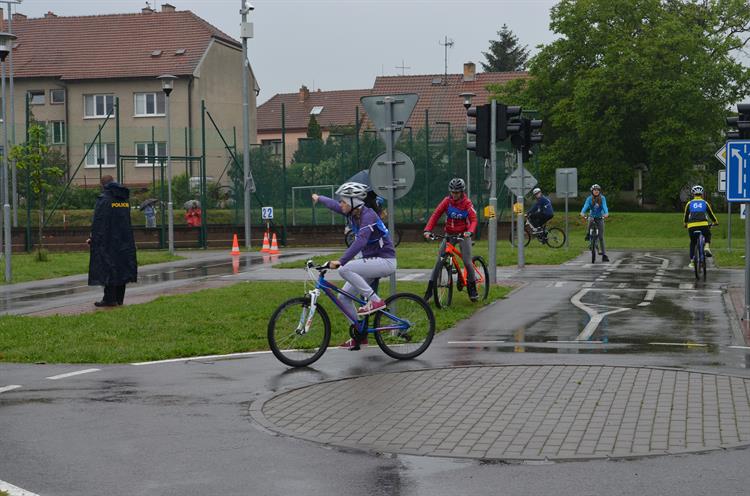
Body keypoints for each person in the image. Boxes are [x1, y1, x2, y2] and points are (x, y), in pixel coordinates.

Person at [312, 182, 397, 349]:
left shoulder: (368, 215)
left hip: (385, 261)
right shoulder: (352, 214)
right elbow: (333, 205)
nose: (341, 204)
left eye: (343, 201)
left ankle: (375, 301)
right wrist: (319, 198)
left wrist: (341, 261)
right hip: (371, 262)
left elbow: (361, 241)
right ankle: (360, 335)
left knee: (345, 268)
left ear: (354, 202)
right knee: (343, 297)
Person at [423, 178, 479, 301]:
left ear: (462, 192)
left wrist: (469, 232)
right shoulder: (447, 201)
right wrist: (427, 229)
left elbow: (474, 220)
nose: (454, 194)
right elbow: (436, 214)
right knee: (439, 261)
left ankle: (472, 287)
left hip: (463, 235)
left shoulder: (467, 203)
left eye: (457, 192)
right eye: (452, 192)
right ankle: (429, 290)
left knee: (467, 261)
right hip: (449, 234)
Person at [87, 175, 138, 307]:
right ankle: (119, 298)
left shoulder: (104, 200)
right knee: (122, 267)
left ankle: (109, 299)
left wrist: (93, 239)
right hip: (124, 239)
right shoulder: (123, 199)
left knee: (108, 267)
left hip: (108, 240)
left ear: (103, 185)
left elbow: (99, 222)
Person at [683, 184, 718, 268]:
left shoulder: (689, 203)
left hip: (691, 226)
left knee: (693, 242)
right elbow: (711, 214)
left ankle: (692, 261)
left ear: (693, 194)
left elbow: (686, 215)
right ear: (702, 194)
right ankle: (706, 247)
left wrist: (685, 224)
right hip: (703, 224)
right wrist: (715, 222)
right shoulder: (705, 203)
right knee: (707, 235)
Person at [580, 183, 610, 262]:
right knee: (589, 223)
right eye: (594, 190)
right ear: (592, 191)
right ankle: (588, 235)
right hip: (592, 217)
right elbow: (585, 206)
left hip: (600, 217)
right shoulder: (589, 199)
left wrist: (606, 213)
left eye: (597, 190)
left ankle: (604, 255)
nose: (596, 191)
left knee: (601, 237)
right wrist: (582, 213)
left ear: (599, 191)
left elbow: (604, 206)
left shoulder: (602, 198)